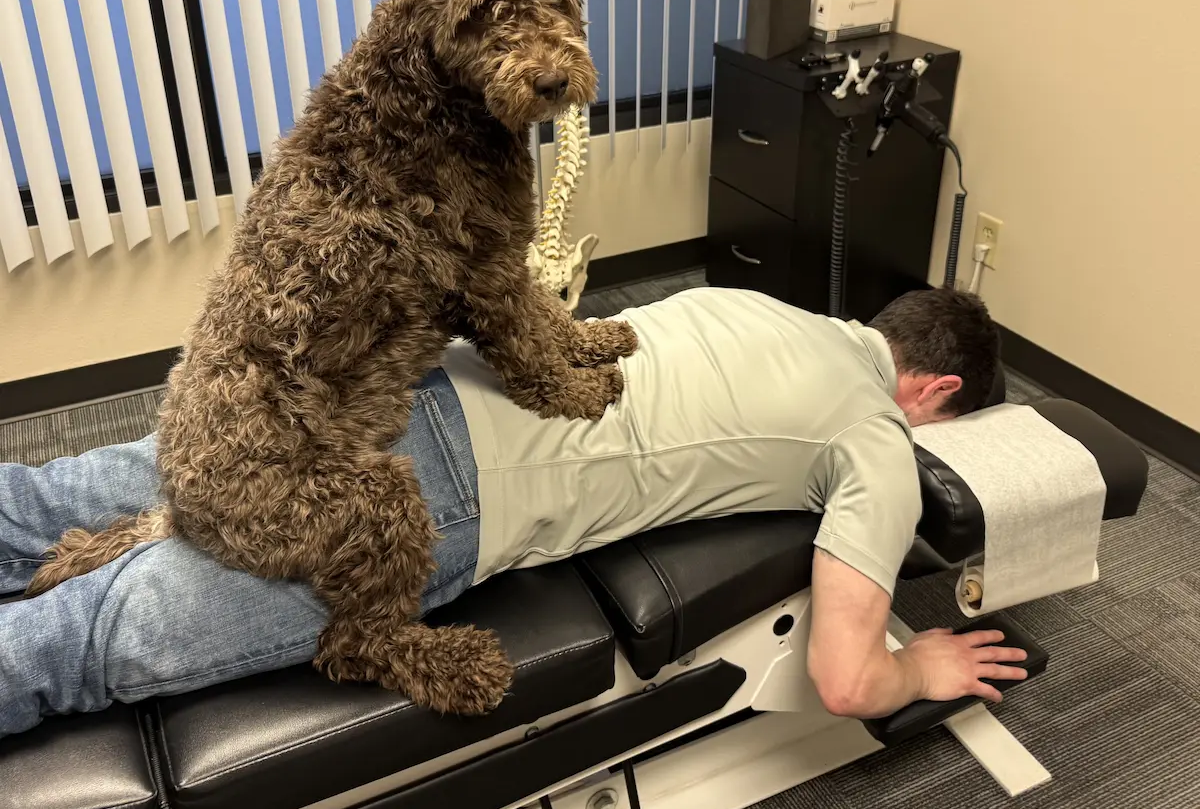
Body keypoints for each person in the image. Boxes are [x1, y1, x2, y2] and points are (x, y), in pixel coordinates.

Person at [0, 284, 1027, 740]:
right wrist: (923, 664)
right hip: (446, 491)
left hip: (402, 381)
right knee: (85, 639)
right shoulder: (880, 440)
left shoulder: (749, 304)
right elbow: (847, 679)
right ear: (933, 392)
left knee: (50, 501)